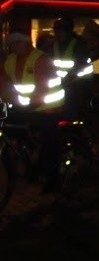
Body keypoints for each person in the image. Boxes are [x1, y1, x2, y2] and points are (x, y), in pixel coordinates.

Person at [1, 26, 67, 194]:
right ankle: (31, 162)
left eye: (15, 44)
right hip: (28, 106)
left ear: (24, 43)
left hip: (48, 108)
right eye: (11, 45)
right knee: (14, 130)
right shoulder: (11, 60)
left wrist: (29, 105)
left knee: (48, 143)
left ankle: (53, 179)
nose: (12, 48)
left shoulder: (41, 60)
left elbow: (42, 88)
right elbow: (3, 82)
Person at [51, 17, 94, 119]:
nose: (58, 34)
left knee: (73, 107)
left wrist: (68, 78)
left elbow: (80, 64)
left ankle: (78, 129)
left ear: (68, 32)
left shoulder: (78, 44)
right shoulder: (55, 44)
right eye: (56, 31)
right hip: (64, 82)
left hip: (80, 82)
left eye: (61, 31)